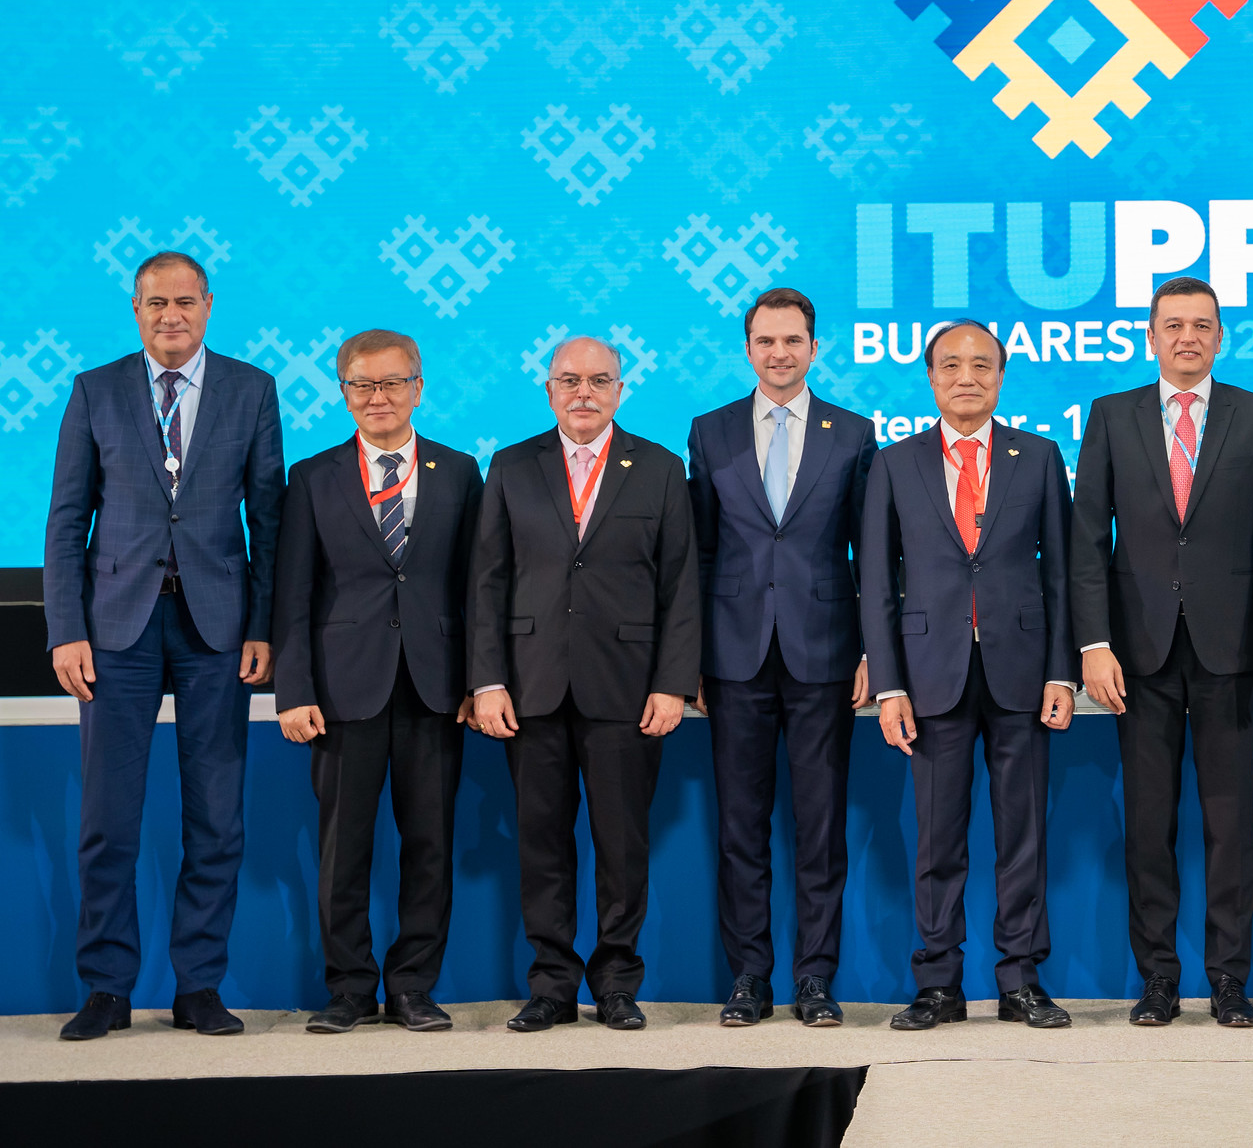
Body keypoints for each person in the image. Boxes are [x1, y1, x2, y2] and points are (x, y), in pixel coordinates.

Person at [45, 251, 285, 1041]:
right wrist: (66, 628)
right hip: (114, 629)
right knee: (108, 819)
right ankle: (106, 987)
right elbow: (66, 518)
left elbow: (268, 520)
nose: (171, 315)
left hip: (218, 629)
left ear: (208, 305)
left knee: (216, 817)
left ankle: (199, 985)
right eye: (156, 302)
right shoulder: (95, 389)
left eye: (185, 301)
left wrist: (263, 623)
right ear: (136, 308)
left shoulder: (252, 389)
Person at [1072, 276, 1253, 1029]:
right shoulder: (1111, 415)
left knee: (1230, 827)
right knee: (1149, 827)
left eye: (1202, 325)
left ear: (1219, 337)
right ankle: (1159, 980)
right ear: (1150, 336)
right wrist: (1093, 642)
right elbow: (1087, 543)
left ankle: (1229, 980)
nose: (1187, 337)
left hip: (1233, 653)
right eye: (1173, 325)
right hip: (1135, 656)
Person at [466, 335, 699, 1033]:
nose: (583, 393)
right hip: (530, 689)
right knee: (541, 844)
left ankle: (618, 983)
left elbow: (681, 586)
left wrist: (672, 683)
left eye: (599, 380)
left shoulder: (660, 468)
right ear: (549, 390)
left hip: (627, 691)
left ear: (620, 390)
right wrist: (487, 679)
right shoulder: (511, 465)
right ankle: (552, 985)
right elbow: (487, 582)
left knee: (622, 846)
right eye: (569, 380)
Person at [862, 321, 1078, 1031]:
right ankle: (938, 985)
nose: (967, 377)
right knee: (937, 841)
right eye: (951, 365)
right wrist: (890, 684)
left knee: (1023, 838)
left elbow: (1063, 574)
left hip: (1022, 673)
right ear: (931, 378)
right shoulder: (895, 463)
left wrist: (1062, 672)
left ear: (1001, 377)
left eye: (982, 365)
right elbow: (876, 583)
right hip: (930, 676)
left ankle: (1021, 981)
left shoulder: (1038, 456)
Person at [271, 330, 483, 1033]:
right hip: (340, 691)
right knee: (344, 849)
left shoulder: (460, 471)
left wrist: (480, 679)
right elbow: (292, 592)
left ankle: (414, 986)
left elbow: (477, 587)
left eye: (392, 383)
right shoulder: (312, 476)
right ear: (343, 393)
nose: (378, 397)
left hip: (435, 687)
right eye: (361, 384)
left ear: (418, 388)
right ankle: (350, 989)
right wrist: (294, 689)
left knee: (431, 845)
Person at [686, 288, 877, 1028]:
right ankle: (749, 977)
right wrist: (692, 658)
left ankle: (816, 979)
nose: (779, 353)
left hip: (825, 653)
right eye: (766, 340)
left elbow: (869, 553)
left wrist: (872, 650)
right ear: (747, 349)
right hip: (733, 656)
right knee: (741, 827)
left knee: (820, 829)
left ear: (814, 349)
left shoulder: (853, 432)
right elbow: (700, 553)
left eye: (793, 340)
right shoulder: (710, 430)